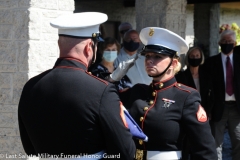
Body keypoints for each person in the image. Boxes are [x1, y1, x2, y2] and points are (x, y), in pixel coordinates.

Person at [18, 12, 136, 160]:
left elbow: (30, 149)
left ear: (59, 44)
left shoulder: (31, 86)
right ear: (89, 47)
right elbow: (125, 152)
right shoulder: (101, 90)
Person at [121, 27, 217, 160]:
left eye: (157, 57)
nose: (150, 60)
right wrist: (113, 78)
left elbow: (205, 150)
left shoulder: (185, 97)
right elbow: (103, 99)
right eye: (147, 56)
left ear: (174, 63)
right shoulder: (137, 91)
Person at [205, 29, 240, 160]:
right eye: (224, 41)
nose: (227, 44)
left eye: (230, 42)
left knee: (238, 140)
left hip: (237, 108)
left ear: (235, 43)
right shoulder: (210, 62)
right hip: (218, 107)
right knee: (215, 142)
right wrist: (207, 109)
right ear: (219, 43)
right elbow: (206, 87)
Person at [175, 46, 211, 160]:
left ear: (201, 58)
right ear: (187, 58)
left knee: (200, 145)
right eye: (192, 56)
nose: (195, 58)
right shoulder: (180, 76)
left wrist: (208, 112)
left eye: (197, 56)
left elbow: (211, 96)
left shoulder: (207, 76)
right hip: (186, 115)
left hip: (203, 115)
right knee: (185, 145)